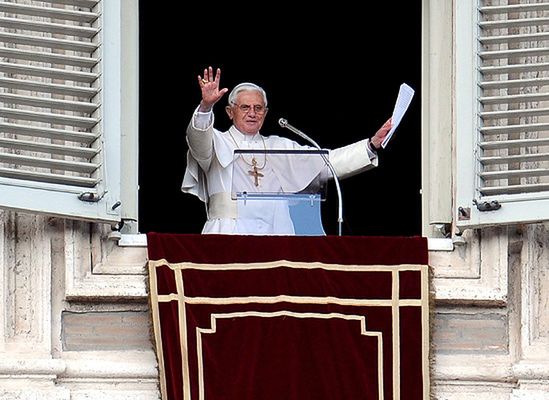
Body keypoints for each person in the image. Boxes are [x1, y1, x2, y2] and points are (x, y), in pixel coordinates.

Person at [182, 66, 392, 235]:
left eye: (258, 108)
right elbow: (197, 139)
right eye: (245, 107)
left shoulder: (279, 146)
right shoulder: (216, 140)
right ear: (230, 112)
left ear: (265, 112)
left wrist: (370, 145)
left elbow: (327, 164)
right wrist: (205, 107)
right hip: (228, 233)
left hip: (277, 233)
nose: (252, 113)